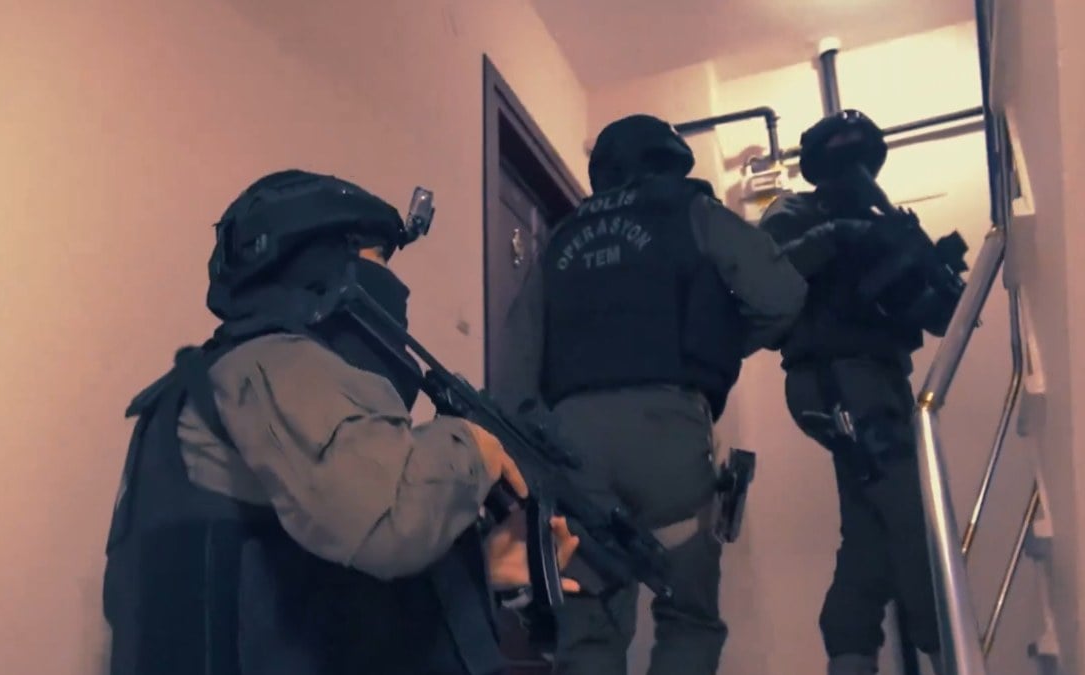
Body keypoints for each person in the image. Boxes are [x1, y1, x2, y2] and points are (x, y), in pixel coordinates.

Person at [102, 169, 580, 675]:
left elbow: (309, 587)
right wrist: (472, 447)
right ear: (326, 271)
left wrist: (481, 570)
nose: (395, 290)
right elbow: (390, 524)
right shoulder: (276, 366)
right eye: (377, 263)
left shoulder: (222, 378)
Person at [503, 114, 808, 675]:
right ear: (669, 160)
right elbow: (782, 294)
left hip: (574, 444)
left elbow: (516, 365)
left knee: (588, 629)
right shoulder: (692, 209)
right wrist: (717, 347)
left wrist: (535, 460)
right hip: (667, 432)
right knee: (687, 616)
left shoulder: (561, 237)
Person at [758, 109, 965, 675]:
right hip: (836, 378)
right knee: (913, 520)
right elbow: (764, 276)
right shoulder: (795, 211)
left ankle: (850, 651)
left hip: (880, 382)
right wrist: (842, 235)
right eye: (841, 155)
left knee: (870, 540)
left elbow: (931, 315)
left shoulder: (884, 220)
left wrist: (932, 272)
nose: (854, 169)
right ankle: (947, 650)